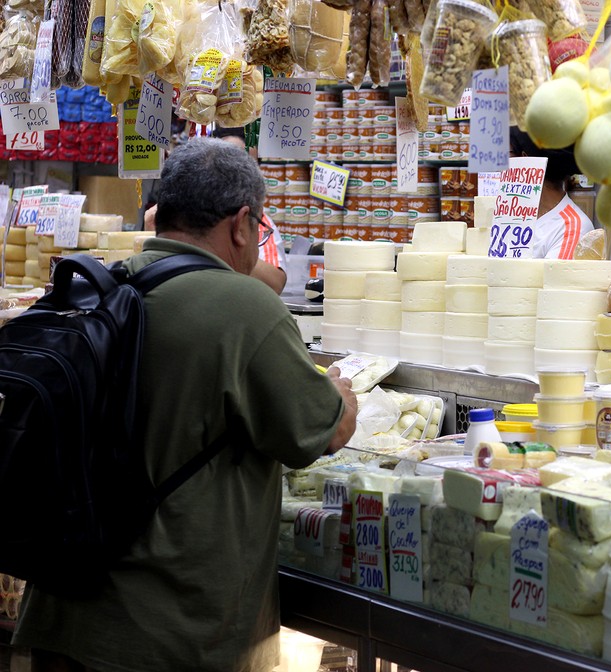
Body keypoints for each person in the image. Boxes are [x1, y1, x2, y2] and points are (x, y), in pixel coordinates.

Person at [13, 139, 358, 672]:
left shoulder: (105, 284)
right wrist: (341, 395)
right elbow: (322, 431)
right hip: (173, 634)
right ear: (242, 224)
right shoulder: (244, 306)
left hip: (64, 615)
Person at [144, 128, 289, 295]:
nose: (238, 173)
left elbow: (275, 283)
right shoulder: (175, 210)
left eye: (247, 164)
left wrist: (217, 243)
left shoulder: (256, 219)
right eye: (227, 164)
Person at [509, 127, 594, 259]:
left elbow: (552, 278)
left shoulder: (571, 228)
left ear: (526, 161)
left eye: (508, 154)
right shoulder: (509, 216)